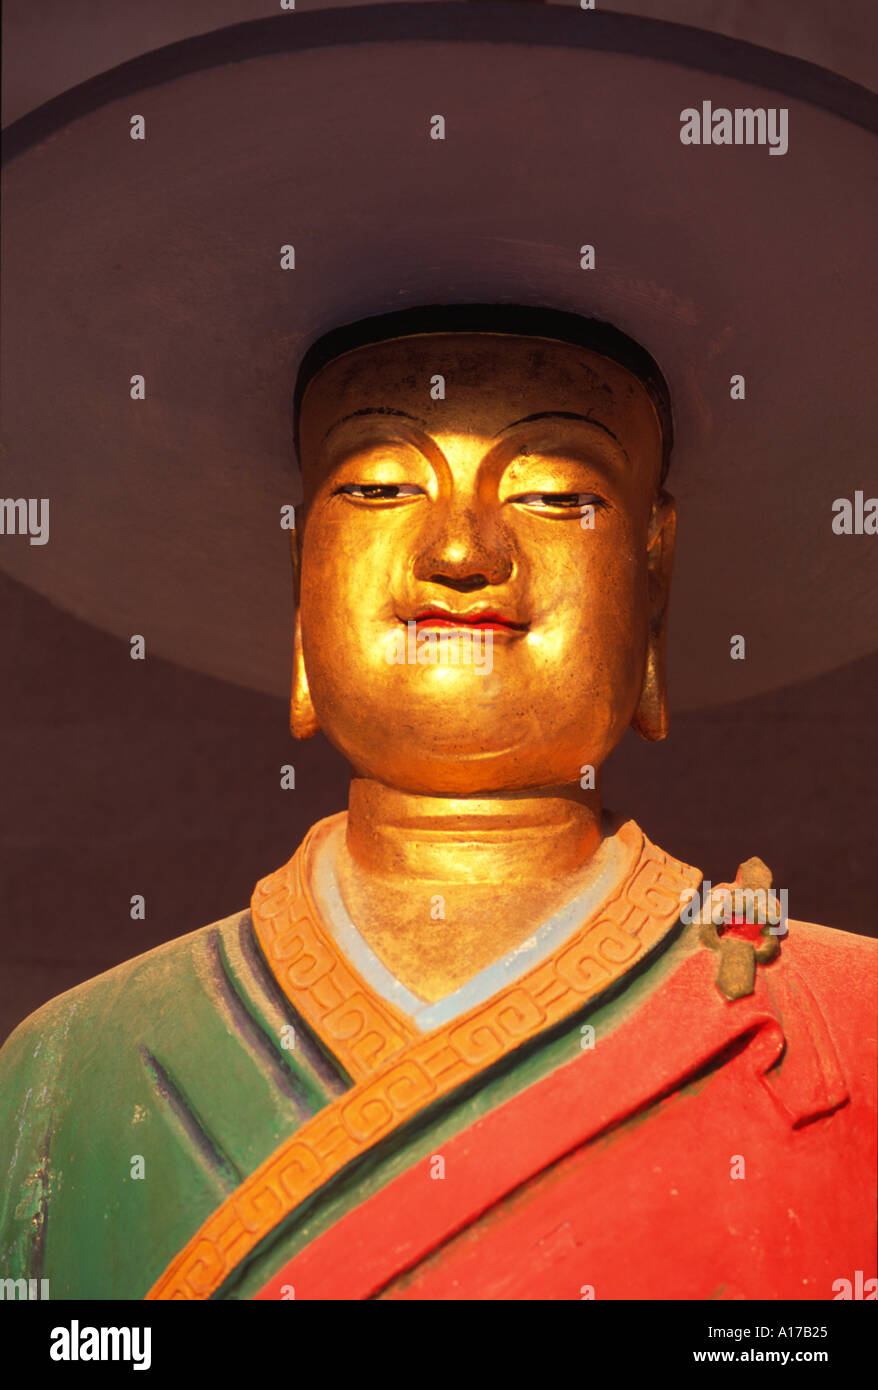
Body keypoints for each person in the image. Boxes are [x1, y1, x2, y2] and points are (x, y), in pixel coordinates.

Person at [1, 306, 874, 1301]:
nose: (460, 551)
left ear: (654, 576)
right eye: (377, 485)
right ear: (301, 578)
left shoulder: (839, 1029)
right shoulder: (71, 1070)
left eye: (556, 493)